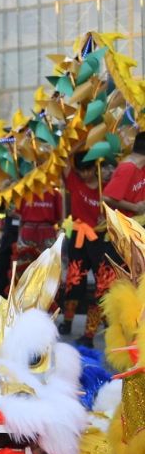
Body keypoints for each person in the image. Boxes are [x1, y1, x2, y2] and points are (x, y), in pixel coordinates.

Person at [60, 153, 117, 345]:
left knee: (103, 285)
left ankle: (91, 331)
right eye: (81, 170)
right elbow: (67, 157)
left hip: (100, 239)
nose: (85, 174)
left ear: (96, 167)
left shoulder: (107, 187)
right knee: (74, 281)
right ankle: (67, 322)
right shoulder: (74, 181)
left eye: (88, 169)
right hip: (77, 238)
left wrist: (107, 216)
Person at [15, 188, 62, 268]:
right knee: (26, 266)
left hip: (44, 232)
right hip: (32, 232)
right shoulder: (23, 192)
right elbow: (59, 218)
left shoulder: (55, 194)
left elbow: (60, 217)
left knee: (47, 266)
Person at [104, 132, 145, 215]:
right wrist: (135, 207)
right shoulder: (127, 168)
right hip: (129, 223)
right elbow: (106, 198)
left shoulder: (141, 165)